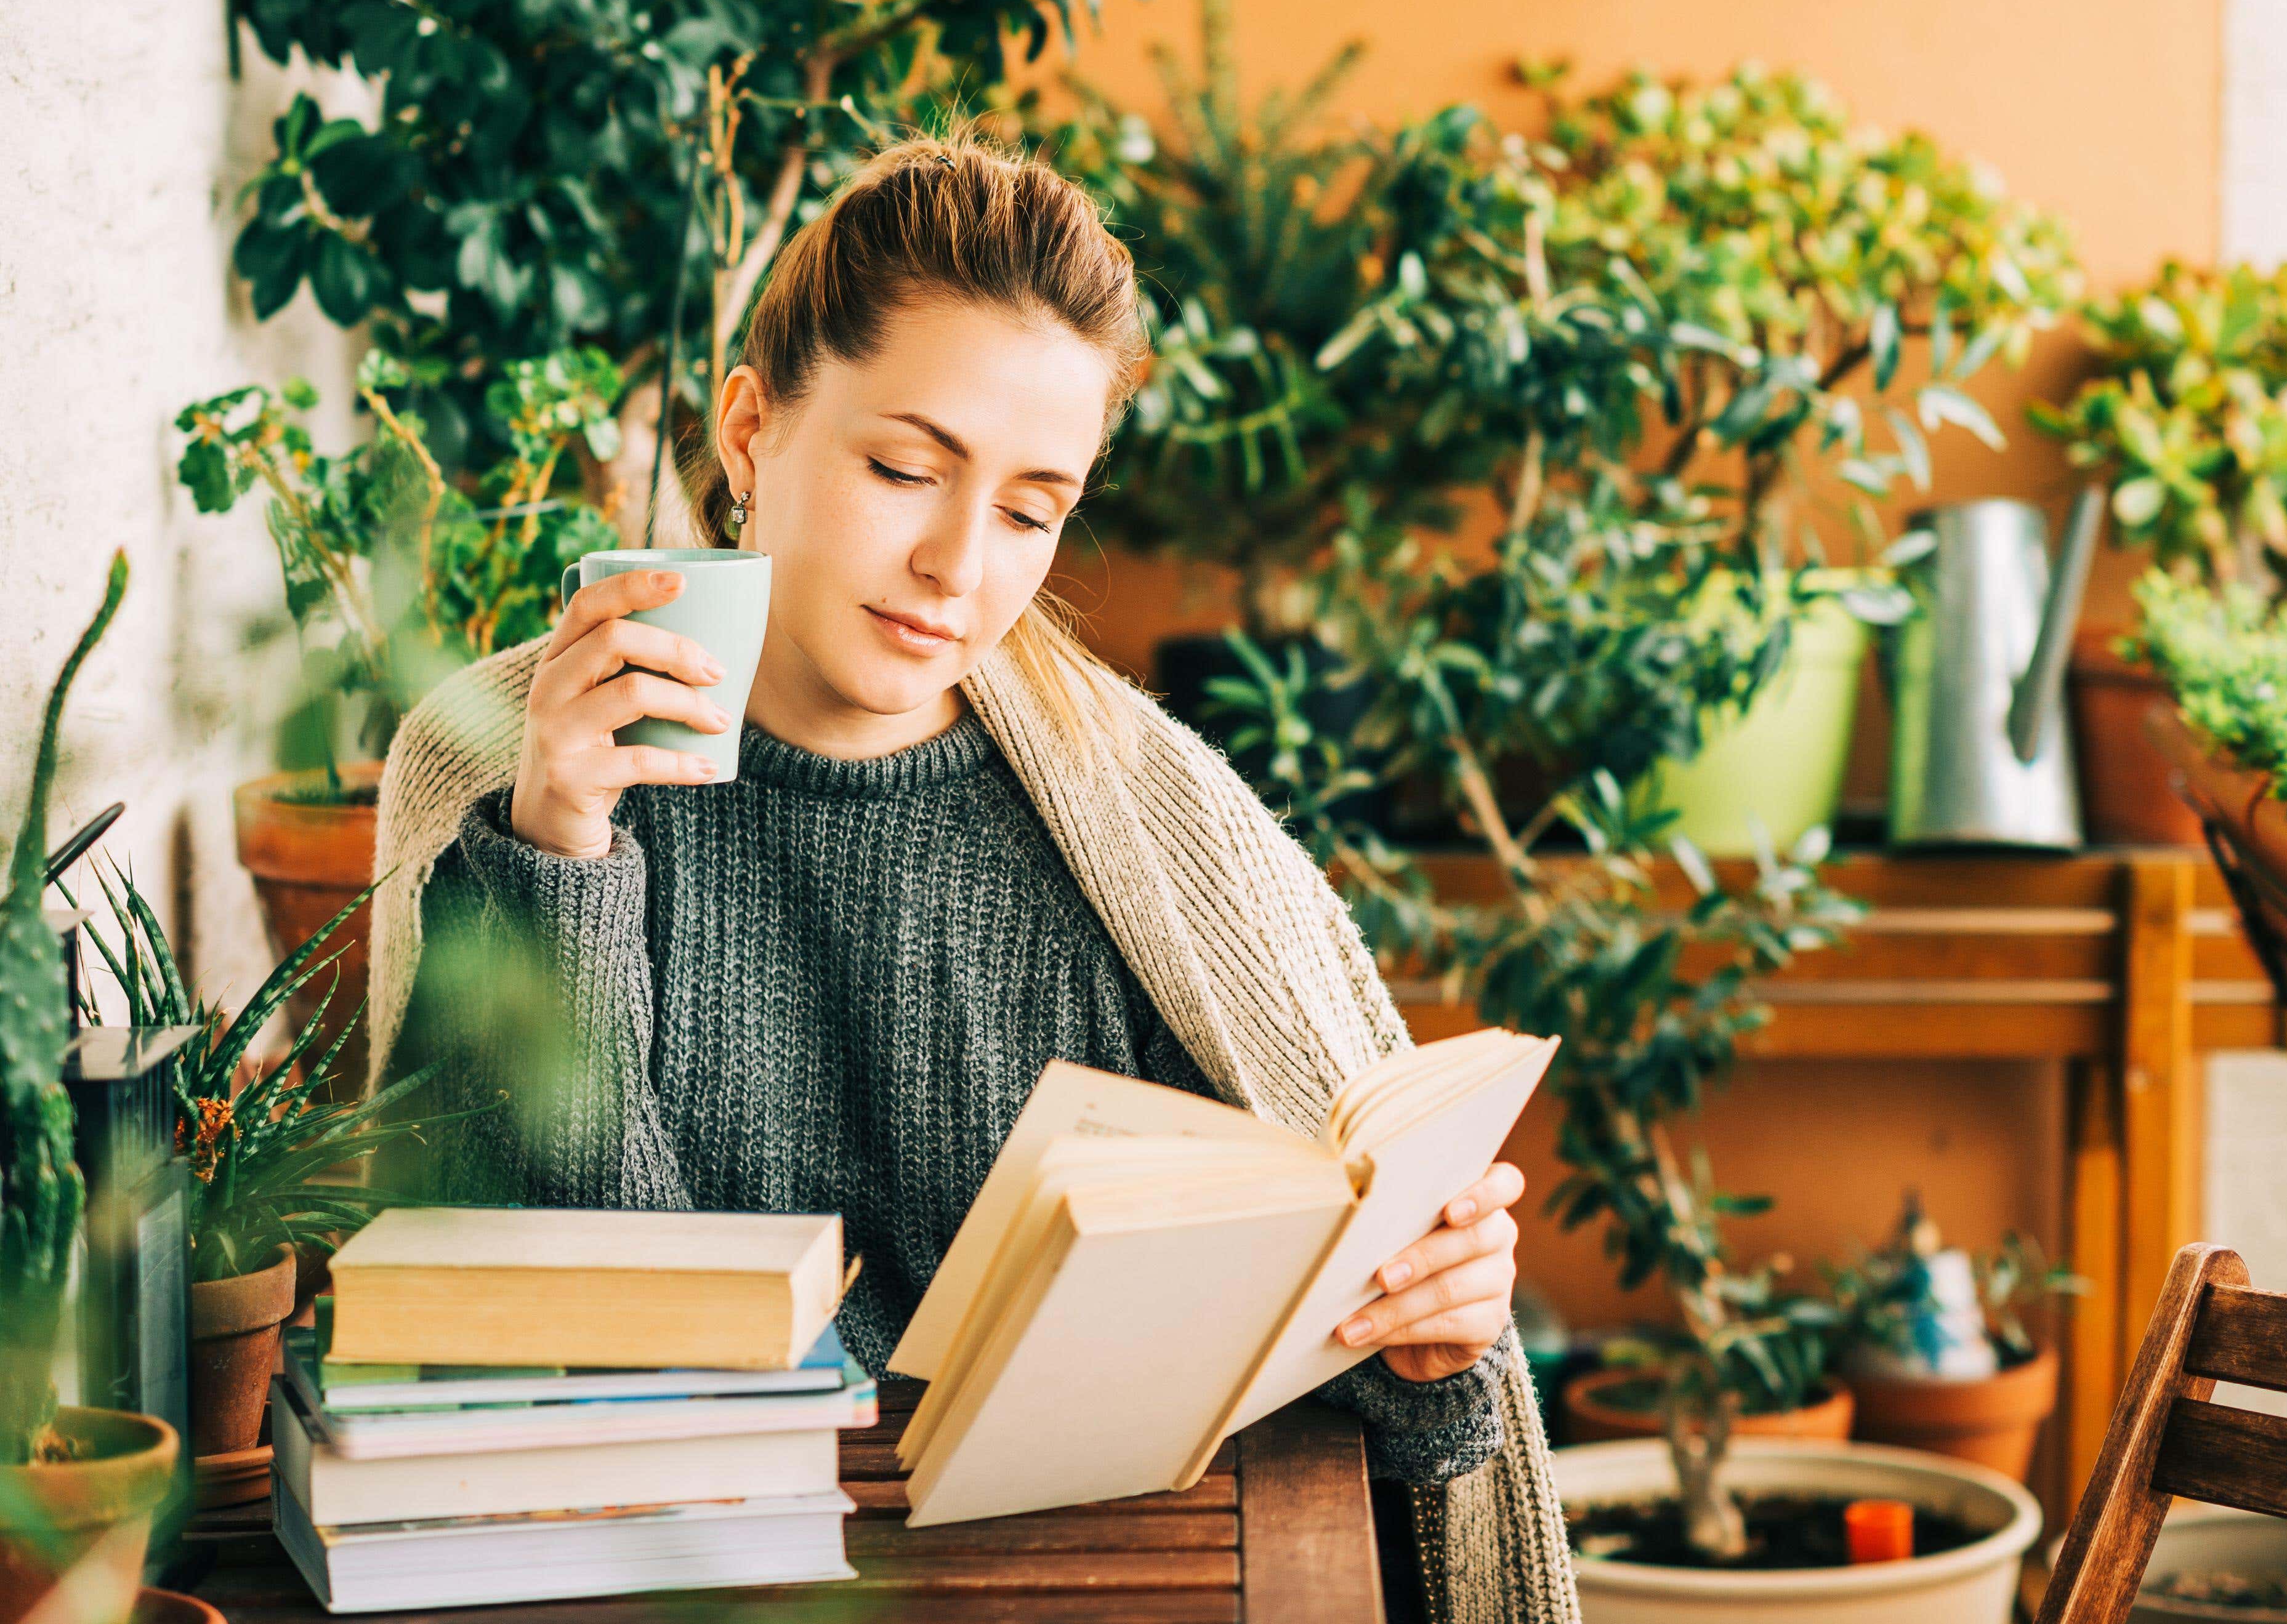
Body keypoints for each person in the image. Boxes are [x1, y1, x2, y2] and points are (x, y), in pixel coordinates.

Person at [361, 124, 1578, 1623]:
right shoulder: (495, 760)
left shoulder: (1151, 825)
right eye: (902, 467)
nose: (957, 563)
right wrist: (561, 852)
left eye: (1028, 509)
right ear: (750, 432)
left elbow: (1356, 1419)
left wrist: (1427, 1339)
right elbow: (484, 1321)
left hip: (1096, 1581)